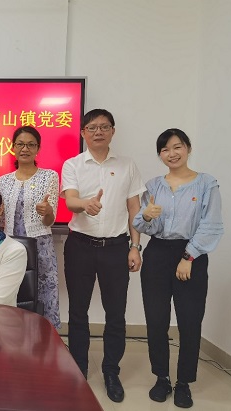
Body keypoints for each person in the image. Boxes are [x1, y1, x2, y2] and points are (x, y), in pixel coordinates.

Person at [133, 129, 223, 408]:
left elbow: (211, 225)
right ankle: (161, 377)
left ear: (188, 148)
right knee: (156, 320)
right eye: (165, 149)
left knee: (189, 321)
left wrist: (189, 256)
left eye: (177, 147)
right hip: (158, 254)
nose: (171, 154)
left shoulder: (206, 183)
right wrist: (147, 216)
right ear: (160, 155)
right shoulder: (153, 186)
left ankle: (184, 382)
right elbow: (143, 225)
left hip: (190, 255)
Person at [61, 109, 145, 402]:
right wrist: (85, 204)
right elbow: (70, 200)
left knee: (116, 313)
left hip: (116, 247)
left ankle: (111, 371)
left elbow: (134, 208)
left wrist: (135, 246)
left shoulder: (127, 165)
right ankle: (79, 369)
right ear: (83, 132)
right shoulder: (72, 164)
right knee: (78, 311)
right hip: (80, 246)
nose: (98, 132)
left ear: (112, 131)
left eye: (104, 127)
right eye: (92, 127)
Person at [0, 126, 60, 329]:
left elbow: (49, 221)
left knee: (43, 292)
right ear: (13, 147)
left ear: (38, 148)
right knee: (12, 291)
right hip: (10, 246)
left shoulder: (49, 177)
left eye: (31, 145)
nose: (25, 149)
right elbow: (0, 220)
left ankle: (44, 337)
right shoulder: (3, 181)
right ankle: (12, 335)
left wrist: (47, 211)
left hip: (40, 246)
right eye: (21, 144)